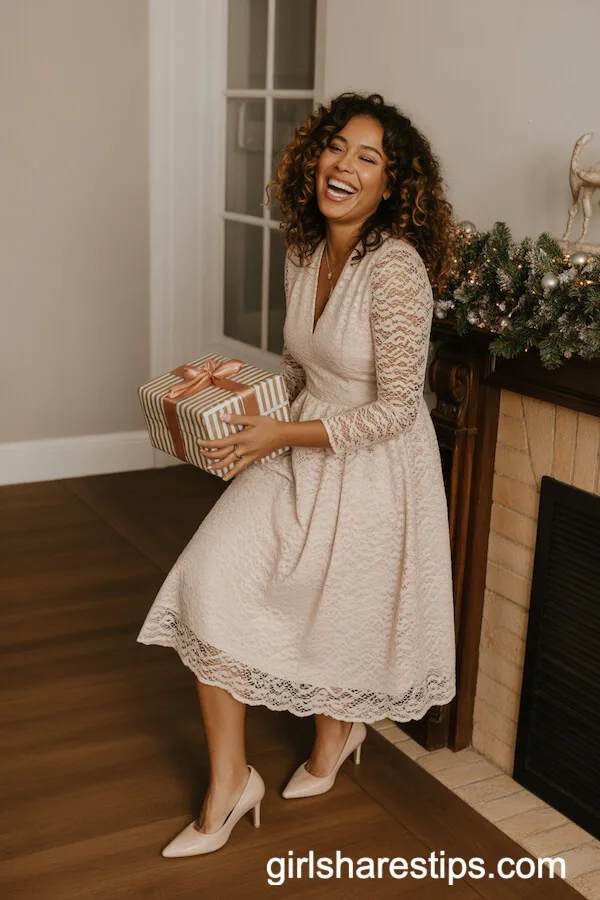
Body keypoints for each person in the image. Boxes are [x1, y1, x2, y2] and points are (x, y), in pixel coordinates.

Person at [137, 91, 457, 858]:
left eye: (368, 157)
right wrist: (235, 417)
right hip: (300, 439)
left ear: (392, 186)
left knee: (334, 613)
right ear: (315, 156)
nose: (343, 165)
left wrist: (284, 430)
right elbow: (296, 365)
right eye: (336, 147)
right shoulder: (302, 248)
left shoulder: (398, 270)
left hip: (378, 470)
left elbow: (397, 409)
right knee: (210, 581)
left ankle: (335, 739)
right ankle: (230, 782)